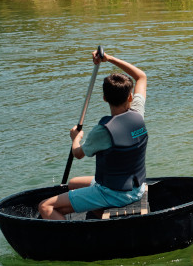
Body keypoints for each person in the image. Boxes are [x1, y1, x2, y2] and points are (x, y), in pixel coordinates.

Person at [39, 50, 149, 220]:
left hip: (114, 193)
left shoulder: (103, 131)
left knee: (45, 206)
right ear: (130, 97)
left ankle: (76, 243)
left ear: (104, 98)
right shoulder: (138, 112)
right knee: (73, 183)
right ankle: (99, 214)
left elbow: (78, 153)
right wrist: (110, 59)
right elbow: (141, 76)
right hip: (137, 188)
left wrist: (75, 138)